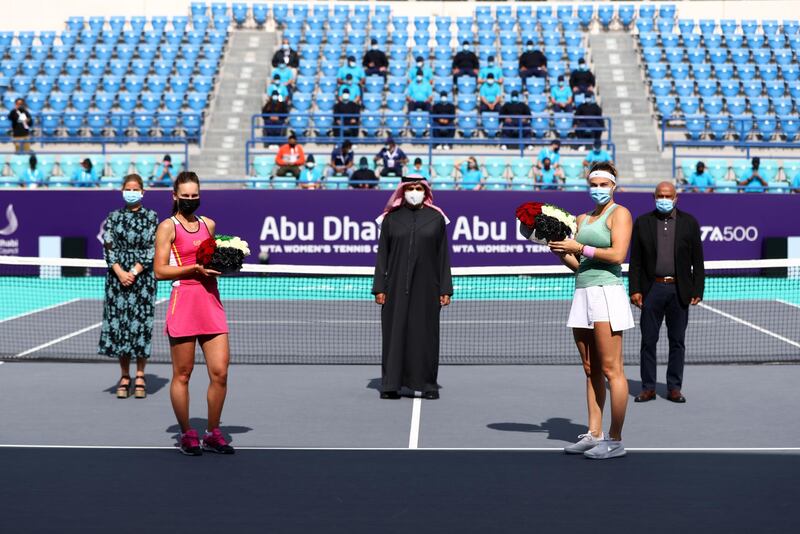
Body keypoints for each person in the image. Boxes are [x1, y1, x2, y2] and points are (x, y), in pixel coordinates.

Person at [548, 163, 634, 460]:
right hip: (583, 292)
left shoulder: (620, 214)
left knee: (612, 370)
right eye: (593, 184)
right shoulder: (582, 218)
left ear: (613, 187)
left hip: (607, 294)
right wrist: (562, 254)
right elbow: (579, 266)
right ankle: (594, 433)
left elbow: (618, 255)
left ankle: (616, 439)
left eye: (602, 184)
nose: (597, 189)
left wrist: (579, 246)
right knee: (590, 368)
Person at [153, 171, 234, 455]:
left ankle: (213, 432)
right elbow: (159, 270)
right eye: (185, 196)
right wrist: (193, 269)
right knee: (183, 374)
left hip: (210, 300)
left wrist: (225, 263)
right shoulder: (167, 227)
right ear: (174, 196)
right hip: (184, 300)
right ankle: (187, 433)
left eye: (194, 196)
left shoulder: (208, 224)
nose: (190, 200)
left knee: (220, 372)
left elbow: (210, 259)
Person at [373, 176, 452, 399]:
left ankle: (427, 384)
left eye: (418, 188)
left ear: (425, 192)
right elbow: (382, 257)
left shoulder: (436, 219)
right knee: (394, 335)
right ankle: (390, 385)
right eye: (410, 188)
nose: (414, 192)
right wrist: (380, 287)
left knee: (426, 335)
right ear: (402, 191)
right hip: (394, 288)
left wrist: (445, 289)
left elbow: (443, 257)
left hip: (428, 288)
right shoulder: (391, 219)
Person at [629, 181, 705, 404]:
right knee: (648, 341)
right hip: (651, 290)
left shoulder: (689, 223)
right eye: (660, 196)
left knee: (677, 341)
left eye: (668, 196)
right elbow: (636, 261)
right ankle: (648, 388)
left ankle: (674, 387)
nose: (664, 199)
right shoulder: (643, 222)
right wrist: (635, 289)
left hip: (679, 291)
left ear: (676, 198)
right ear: (654, 197)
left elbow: (697, 262)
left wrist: (697, 289)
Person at [99, 174, 159, 399]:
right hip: (117, 280)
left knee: (141, 326)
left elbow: (152, 249)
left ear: (142, 192)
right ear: (122, 191)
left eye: (135, 189)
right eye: (128, 188)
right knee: (121, 326)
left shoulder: (152, 217)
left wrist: (133, 272)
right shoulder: (113, 217)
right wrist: (120, 272)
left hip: (142, 280)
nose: (131, 192)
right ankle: (125, 375)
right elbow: (108, 245)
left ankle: (141, 374)